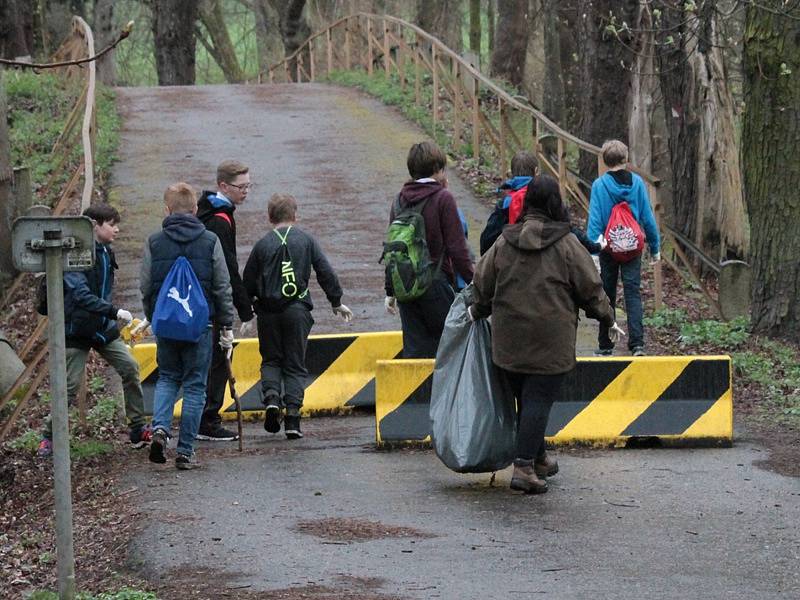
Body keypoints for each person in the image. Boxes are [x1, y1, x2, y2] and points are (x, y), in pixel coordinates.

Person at [470, 175, 624, 494]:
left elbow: (482, 283)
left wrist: (478, 310)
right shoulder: (567, 244)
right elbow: (590, 288)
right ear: (556, 203)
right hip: (550, 339)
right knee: (538, 399)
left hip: (508, 340)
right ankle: (524, 466)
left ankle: (538, 457)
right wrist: (608, 317)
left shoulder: (504, 241)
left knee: (524, 398)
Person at [38, 204, 147, 457]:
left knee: (130, 367)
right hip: (76, 328)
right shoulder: (74, 256)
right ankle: (50, 436)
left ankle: (137, 427)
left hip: (102, 329)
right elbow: (80, 295)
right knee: (70, 385)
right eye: (111, 224)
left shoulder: (107, 252)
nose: (117, 229)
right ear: (94, 226)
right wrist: (114, 312)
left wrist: (109, 316)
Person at [140, 183, 234, 470]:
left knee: (168, 378)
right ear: (195, 210)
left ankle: (160, 430)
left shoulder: (154, 242)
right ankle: (185, 451)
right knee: (195, 386)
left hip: (167, 324)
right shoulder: (208, 241)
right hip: (200, 325)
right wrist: (226, 324)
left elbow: (145, 286)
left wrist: (153, 315)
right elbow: (221, 285)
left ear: (166, 210)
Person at [243, 193, 353, 439]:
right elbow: (325, 271)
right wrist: (336, 301)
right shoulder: (306, 241)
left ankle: (271, 399)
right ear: (295, 216)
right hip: (297, 310)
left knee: (271, 360)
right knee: (295, 364)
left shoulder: (262, 245)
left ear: (269, 217)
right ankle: (292, 419)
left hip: (268, 313)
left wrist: (248, 310)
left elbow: (247, 282)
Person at [384, 141, 474, 358]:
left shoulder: (399, 200)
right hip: (436, 283)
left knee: (415, 354)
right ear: (437, 168)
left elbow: (392, 249)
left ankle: (417, 393)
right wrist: (474, 280)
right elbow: (457, 248)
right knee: (448, 352)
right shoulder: (443, 198)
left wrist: (391, 290)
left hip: (407, 287)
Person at [195, 160, 254, 441]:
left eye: (248, 186)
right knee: (219, 358)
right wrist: (245, 308)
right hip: (213, 299)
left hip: (201, 297)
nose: (246, 192)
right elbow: (228, 267)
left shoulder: (209, 211)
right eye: (241, 187)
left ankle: (202, 417)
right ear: (223, 186)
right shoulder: (220, 220)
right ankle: (208, 419)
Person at [587, 140, 661, 357]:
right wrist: (655, 247)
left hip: (609, 248)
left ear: (605, 160)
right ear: (626, 158)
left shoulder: (600, 186)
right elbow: (647, 217)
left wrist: (594, 252)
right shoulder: (637, 183)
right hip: (632, 247)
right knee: (632, 293)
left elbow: (595, 221)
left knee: (606, 294)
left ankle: (606, 345)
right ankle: (637, 343)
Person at [479, 151, 538, 255]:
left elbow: (487, 241)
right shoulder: (547, 196)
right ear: (536, 171)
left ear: (511, 173)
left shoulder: (506, 202)